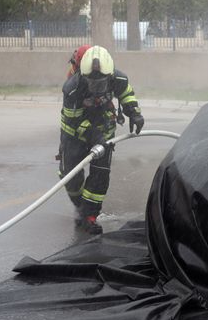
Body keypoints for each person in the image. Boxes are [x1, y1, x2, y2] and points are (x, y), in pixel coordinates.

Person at [58, 45, 145, 234]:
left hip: (104, 129)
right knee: (70, 176)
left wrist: (134, 113)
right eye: (92, 83)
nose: (97, 89)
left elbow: (126, 93)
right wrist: (94, 137)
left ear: (110, 74)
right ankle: (80, 205)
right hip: (74, 135)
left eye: (101, 83)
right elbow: (75, 122)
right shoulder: (72, 88)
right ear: (83, 75)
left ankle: (89, 216)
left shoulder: (118, 78)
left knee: (100, 174)